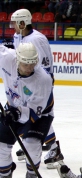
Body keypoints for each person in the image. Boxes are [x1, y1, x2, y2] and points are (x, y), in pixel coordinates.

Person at [10, 9, 64, 169]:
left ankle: (54, 150)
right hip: (25, 83)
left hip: (39, 84)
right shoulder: (19, 36)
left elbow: (44, 66)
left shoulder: (37, 39)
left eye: (14, 22)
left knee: (40, 115)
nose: (12, 25)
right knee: (26, 113)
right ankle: (30, 142)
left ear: (22, 22)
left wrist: (44, 86)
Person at [0, 42, 54, 178]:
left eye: (32, 64)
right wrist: (13, 111)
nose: (29, 68)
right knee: (1, 145)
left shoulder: (43, 79)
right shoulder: (6, 58)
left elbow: (34, 111)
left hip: (40, 114)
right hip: (13, 107)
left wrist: (16, 113)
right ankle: (5, 172)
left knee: (31, 145)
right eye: (25, 64)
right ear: (17, 59)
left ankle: (32, 173)